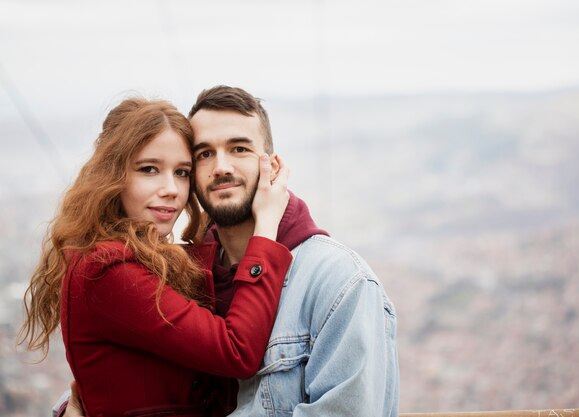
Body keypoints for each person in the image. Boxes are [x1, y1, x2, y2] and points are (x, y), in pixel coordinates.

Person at [60, 85, 400, 416]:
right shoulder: (182, 273)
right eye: (204, 154)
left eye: (239, 149)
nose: (221, 166)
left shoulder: (339, 282)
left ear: (273, 167)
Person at [19, 97, 294, 417]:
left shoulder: (145, 257)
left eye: (182, 172)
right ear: (113, 176)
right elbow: (237, 352)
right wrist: (266, 228)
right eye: (149, 169)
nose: (172, 189)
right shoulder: (107, 270)